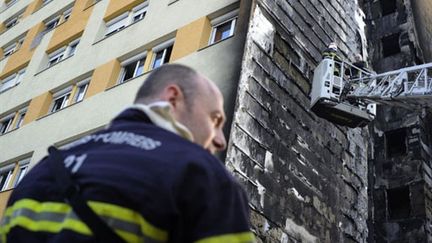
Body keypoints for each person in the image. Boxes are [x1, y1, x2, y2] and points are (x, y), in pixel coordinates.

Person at [0, 64, 255, 243]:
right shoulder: (200, 174)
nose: (220, 140)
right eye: (215, 119)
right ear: (173, 98)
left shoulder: (40, 172)